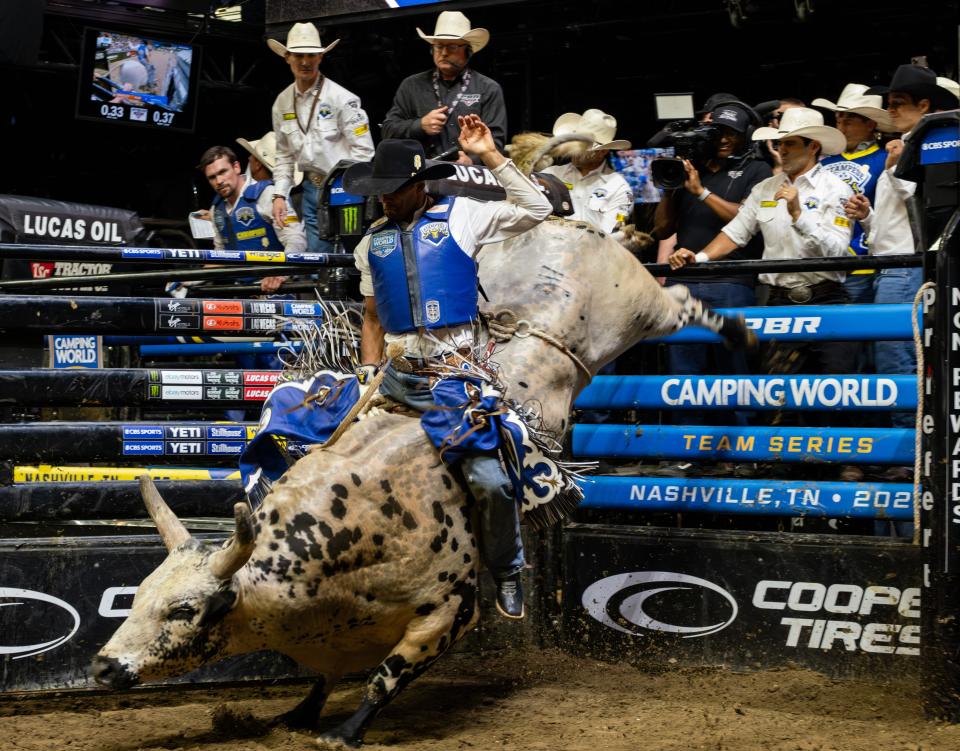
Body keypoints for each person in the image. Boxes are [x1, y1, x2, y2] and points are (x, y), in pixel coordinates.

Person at [344, 115, 551, 619]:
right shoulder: (371, 242)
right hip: (396, 376)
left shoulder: (465, 216)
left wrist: (489, 155)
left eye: (394, 191)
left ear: (419, 185)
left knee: (491, 482)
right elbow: (372, 316)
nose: (385, 200)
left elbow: (537, 207)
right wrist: (368, 370)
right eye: (381, 192)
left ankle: (506, 570)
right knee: (334, 462)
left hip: (454, 379)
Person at [668, 108, 856, 477]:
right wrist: (700, 256)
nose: (781, 150)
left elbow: (838, 253)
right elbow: (737, 233)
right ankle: (783, 465)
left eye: (789, 143)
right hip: (781, 300)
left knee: (839, 386)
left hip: (827, 294)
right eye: (780, 143)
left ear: (812, 146)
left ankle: (845, 461)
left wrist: (800, 216)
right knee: (778, 388)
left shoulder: (836, 189)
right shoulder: (764, 189)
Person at [843, 65, 959, 495]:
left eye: (896, 105)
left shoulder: (931, 144)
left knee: (898, 361)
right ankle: (897, 451)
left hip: (906, 266)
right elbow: (896, 220)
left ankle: (908, 454)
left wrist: (893, 168)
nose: (890, 112)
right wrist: (867, 217)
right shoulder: (907, 144)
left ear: (925, 105)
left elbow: (931, 205)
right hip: (885, 261)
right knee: (882, 359)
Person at [652, 102, 772, 444]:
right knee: (684, 375)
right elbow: (662, 229)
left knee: (734, 370)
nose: (724, 139)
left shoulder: (757, 170)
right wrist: (671, 187)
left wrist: (700, 192)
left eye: (732, 133)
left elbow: (746, 220)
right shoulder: (691, 169)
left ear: (744, 137)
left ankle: (744, 449)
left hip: (731, 280)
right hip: (683, 281)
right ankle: (686, 449)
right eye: (718, 131)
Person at [268, 22, 375, 254]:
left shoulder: (342, 99)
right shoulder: (282, 102)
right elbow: (284, 156)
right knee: (319, 260)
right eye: (298, 55)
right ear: (287, 57)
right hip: (310, 190)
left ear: (320, 57)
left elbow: (365, 151)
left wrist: (348, 187)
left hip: (343, 189)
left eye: (311, 55)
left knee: (351, 258)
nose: (305, 61)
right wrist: (279, 195)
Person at [381, 11, 506, 165]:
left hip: (470, 179)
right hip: (421, 176)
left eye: (452, 46)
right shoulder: (411, 85)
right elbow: (387, 130)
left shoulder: (488, 88)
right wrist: (419, 125)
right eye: (439, 46)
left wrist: (472, 161)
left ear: (468, 51)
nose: (444, 53)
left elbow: (497, 141)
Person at [813, 84, 894, 310]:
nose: (841, 126)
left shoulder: (885, 160)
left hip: (862, 263)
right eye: (838, 120)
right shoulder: (823, 164)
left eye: (848, 121)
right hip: (822, 264)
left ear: (870, 124)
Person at [200, 144, 306, 293]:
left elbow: (296, 240)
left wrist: (279, 273)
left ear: (236, 167)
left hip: (277, 290)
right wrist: (188, 280)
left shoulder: (268, 194)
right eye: (212, 177)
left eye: (223, 172)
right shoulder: (216, 209)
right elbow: (220, 255)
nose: (219, 181)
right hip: (240, 291)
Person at [539, 108, 634, 233]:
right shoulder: (550, 174)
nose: (575, 150)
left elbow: (609, 236)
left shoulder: (618, 187)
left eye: (583, 147)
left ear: (603, 151)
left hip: (594, 251)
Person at [235, 131, 306, 294]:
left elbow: (296, 239)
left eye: (252, 156)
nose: (248, 158)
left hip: (274, 290)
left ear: (258, 164)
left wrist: (280, 273)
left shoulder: (274, 197)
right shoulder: (255, 195)